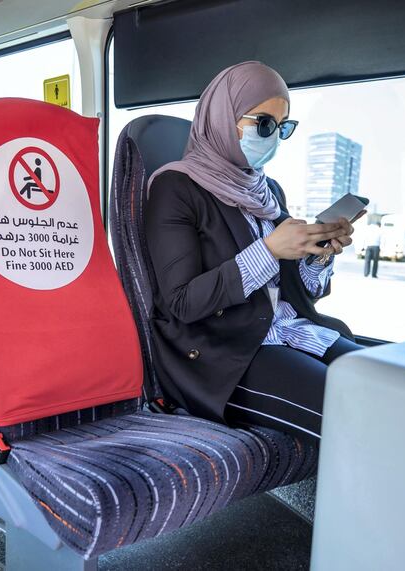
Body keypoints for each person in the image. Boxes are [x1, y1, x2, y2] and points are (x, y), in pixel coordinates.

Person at [145, 61, 364, 445]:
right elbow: (181, 302)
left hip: (289, 329)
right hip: (226, 349)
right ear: (223, 117)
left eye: (283, 127)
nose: (274, 137)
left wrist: (316, 253)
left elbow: (299, 293)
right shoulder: (176, 186)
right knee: (353, 416)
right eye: (264, 124)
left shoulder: (267, 190)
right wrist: (268, 250)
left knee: (387, 388)